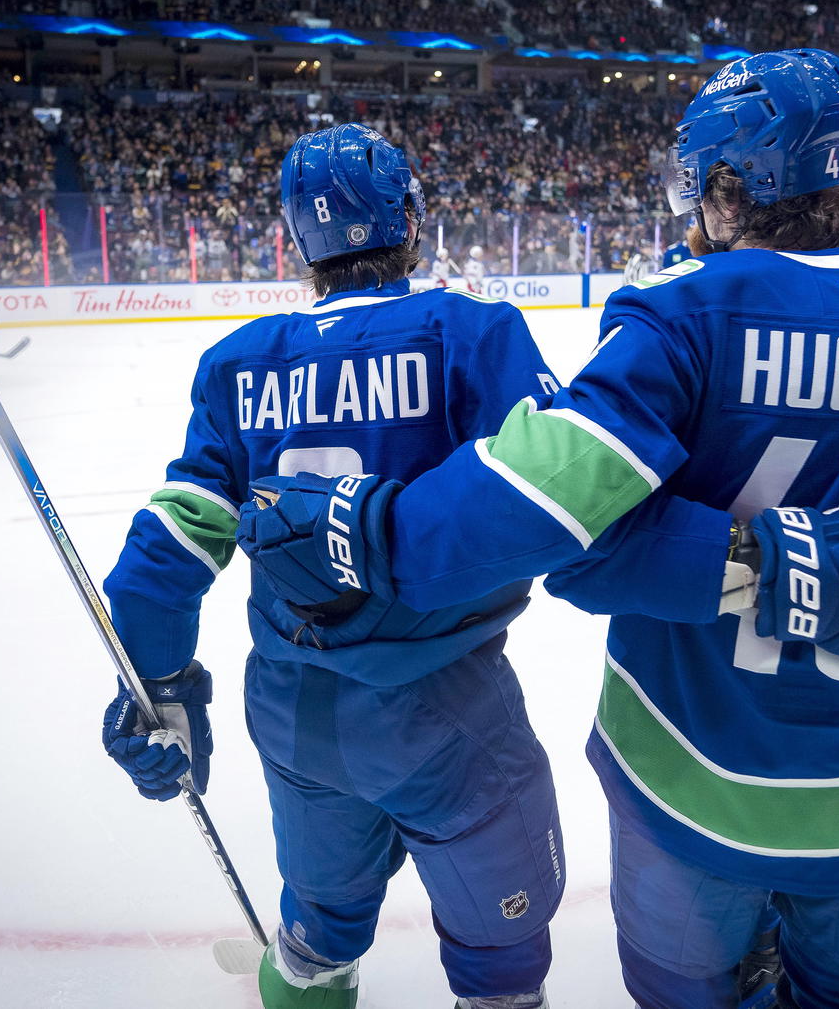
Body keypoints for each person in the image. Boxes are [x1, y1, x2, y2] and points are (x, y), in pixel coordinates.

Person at [236, 50, 839, 1009]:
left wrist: (364, 537)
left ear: (732, 188)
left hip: (692, 777)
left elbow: (569, 530)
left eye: (696, 188)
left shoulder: (683, 313)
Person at [98, 124, 570, 1009]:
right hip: (447, 710)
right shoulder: (470, 334)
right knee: (500, 959)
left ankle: (310, 970)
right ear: (411, 220)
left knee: (318, 931)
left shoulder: (237, 363)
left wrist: (157, 687)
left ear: (297, 237)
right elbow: (561, 504)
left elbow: (160, 561)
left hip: (292, 714)